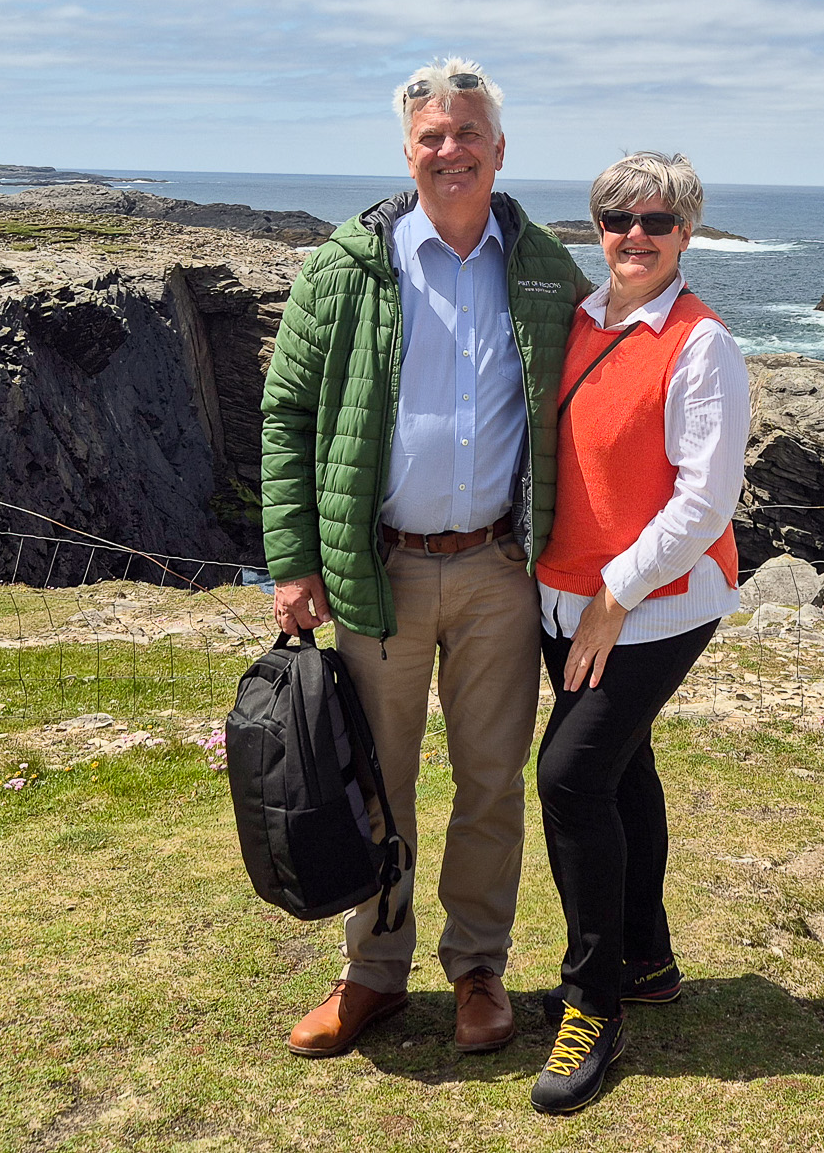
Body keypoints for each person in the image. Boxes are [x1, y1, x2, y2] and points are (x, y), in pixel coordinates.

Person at [260, 58, 592, 1059]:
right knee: (377, 781)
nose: (450, 151)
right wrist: (293, 560)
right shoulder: (344, 267)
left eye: (467, 134)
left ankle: (478, 969)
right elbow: (285, 413)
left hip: (499, 569)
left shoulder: (538, 267)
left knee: (490, 779)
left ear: (498, 148)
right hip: (378, 571)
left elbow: (597, 393)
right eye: (430, 137)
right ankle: (373, 972)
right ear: (407, 153)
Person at [526, 152, 751, 1115]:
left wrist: (618, 592)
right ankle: (647, 961)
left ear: (686, 233)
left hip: (651, 605)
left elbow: (707, 497)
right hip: (562, 596)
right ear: (597, 228)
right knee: (622, 771)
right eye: (618, 220)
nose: (636, 236)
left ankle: (596, 1003)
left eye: (658, 221)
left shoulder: (702, 345)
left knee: (571, 777)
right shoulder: (578, 322)